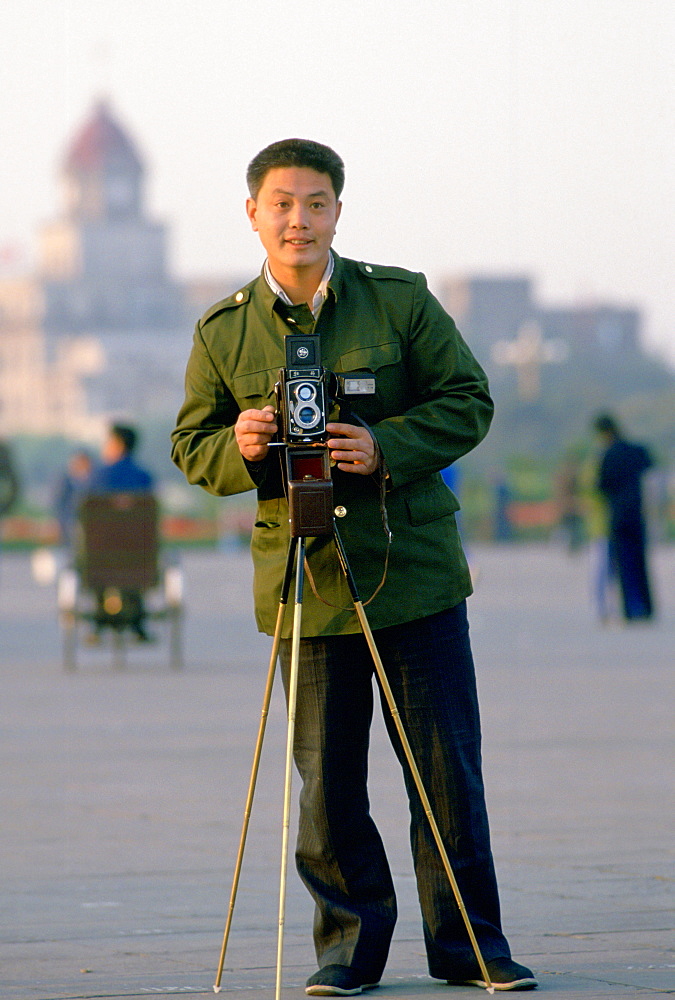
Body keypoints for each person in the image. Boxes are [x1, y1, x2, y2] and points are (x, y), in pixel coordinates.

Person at [171, 139, 537, 994]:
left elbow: (467, 399)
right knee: (326, 790)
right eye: (282, 203)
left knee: (444, 772)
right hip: (306, 584)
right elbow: (192, 447)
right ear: (253, 212)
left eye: (316, 203)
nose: (298, 219)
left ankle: (471, 950)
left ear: (338, 210)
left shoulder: (398, 301)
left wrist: (385, 445)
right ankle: (347, 952)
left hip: (410, 573)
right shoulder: (223, 330)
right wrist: (240, 445)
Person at [88, 424, 155, 640]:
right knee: (132, 553)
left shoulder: (97, 477)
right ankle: (137, 619)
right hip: (139, 557)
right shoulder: (144, 477)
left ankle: (100, 618)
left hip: (99, 558)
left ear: (117, 444)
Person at [593, 413, 655, 621]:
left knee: (625, 565)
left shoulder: (608, 455)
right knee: (640, 563)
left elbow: (601, 486)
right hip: (637, 514)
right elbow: (649, 462)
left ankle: (631, 608)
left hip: (618, 516)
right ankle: (646, 607)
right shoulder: (635, 450)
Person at [53, 449, 94, 550]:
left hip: (86, 521)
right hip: (69, 520)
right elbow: (59, 503)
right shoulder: (65, 481)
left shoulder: (92, 481)